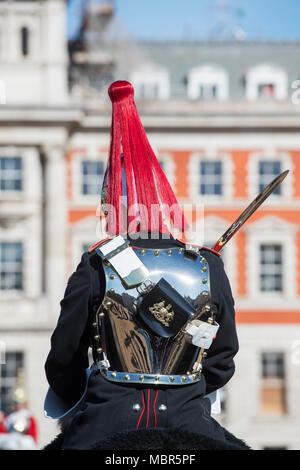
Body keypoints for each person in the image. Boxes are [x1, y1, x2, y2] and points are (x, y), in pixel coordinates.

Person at [44, 81, 239, 450]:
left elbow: (63, 361)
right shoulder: (208, 266)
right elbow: (222, 362)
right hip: (190, 419)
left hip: (104, 421)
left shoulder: (95, 264)